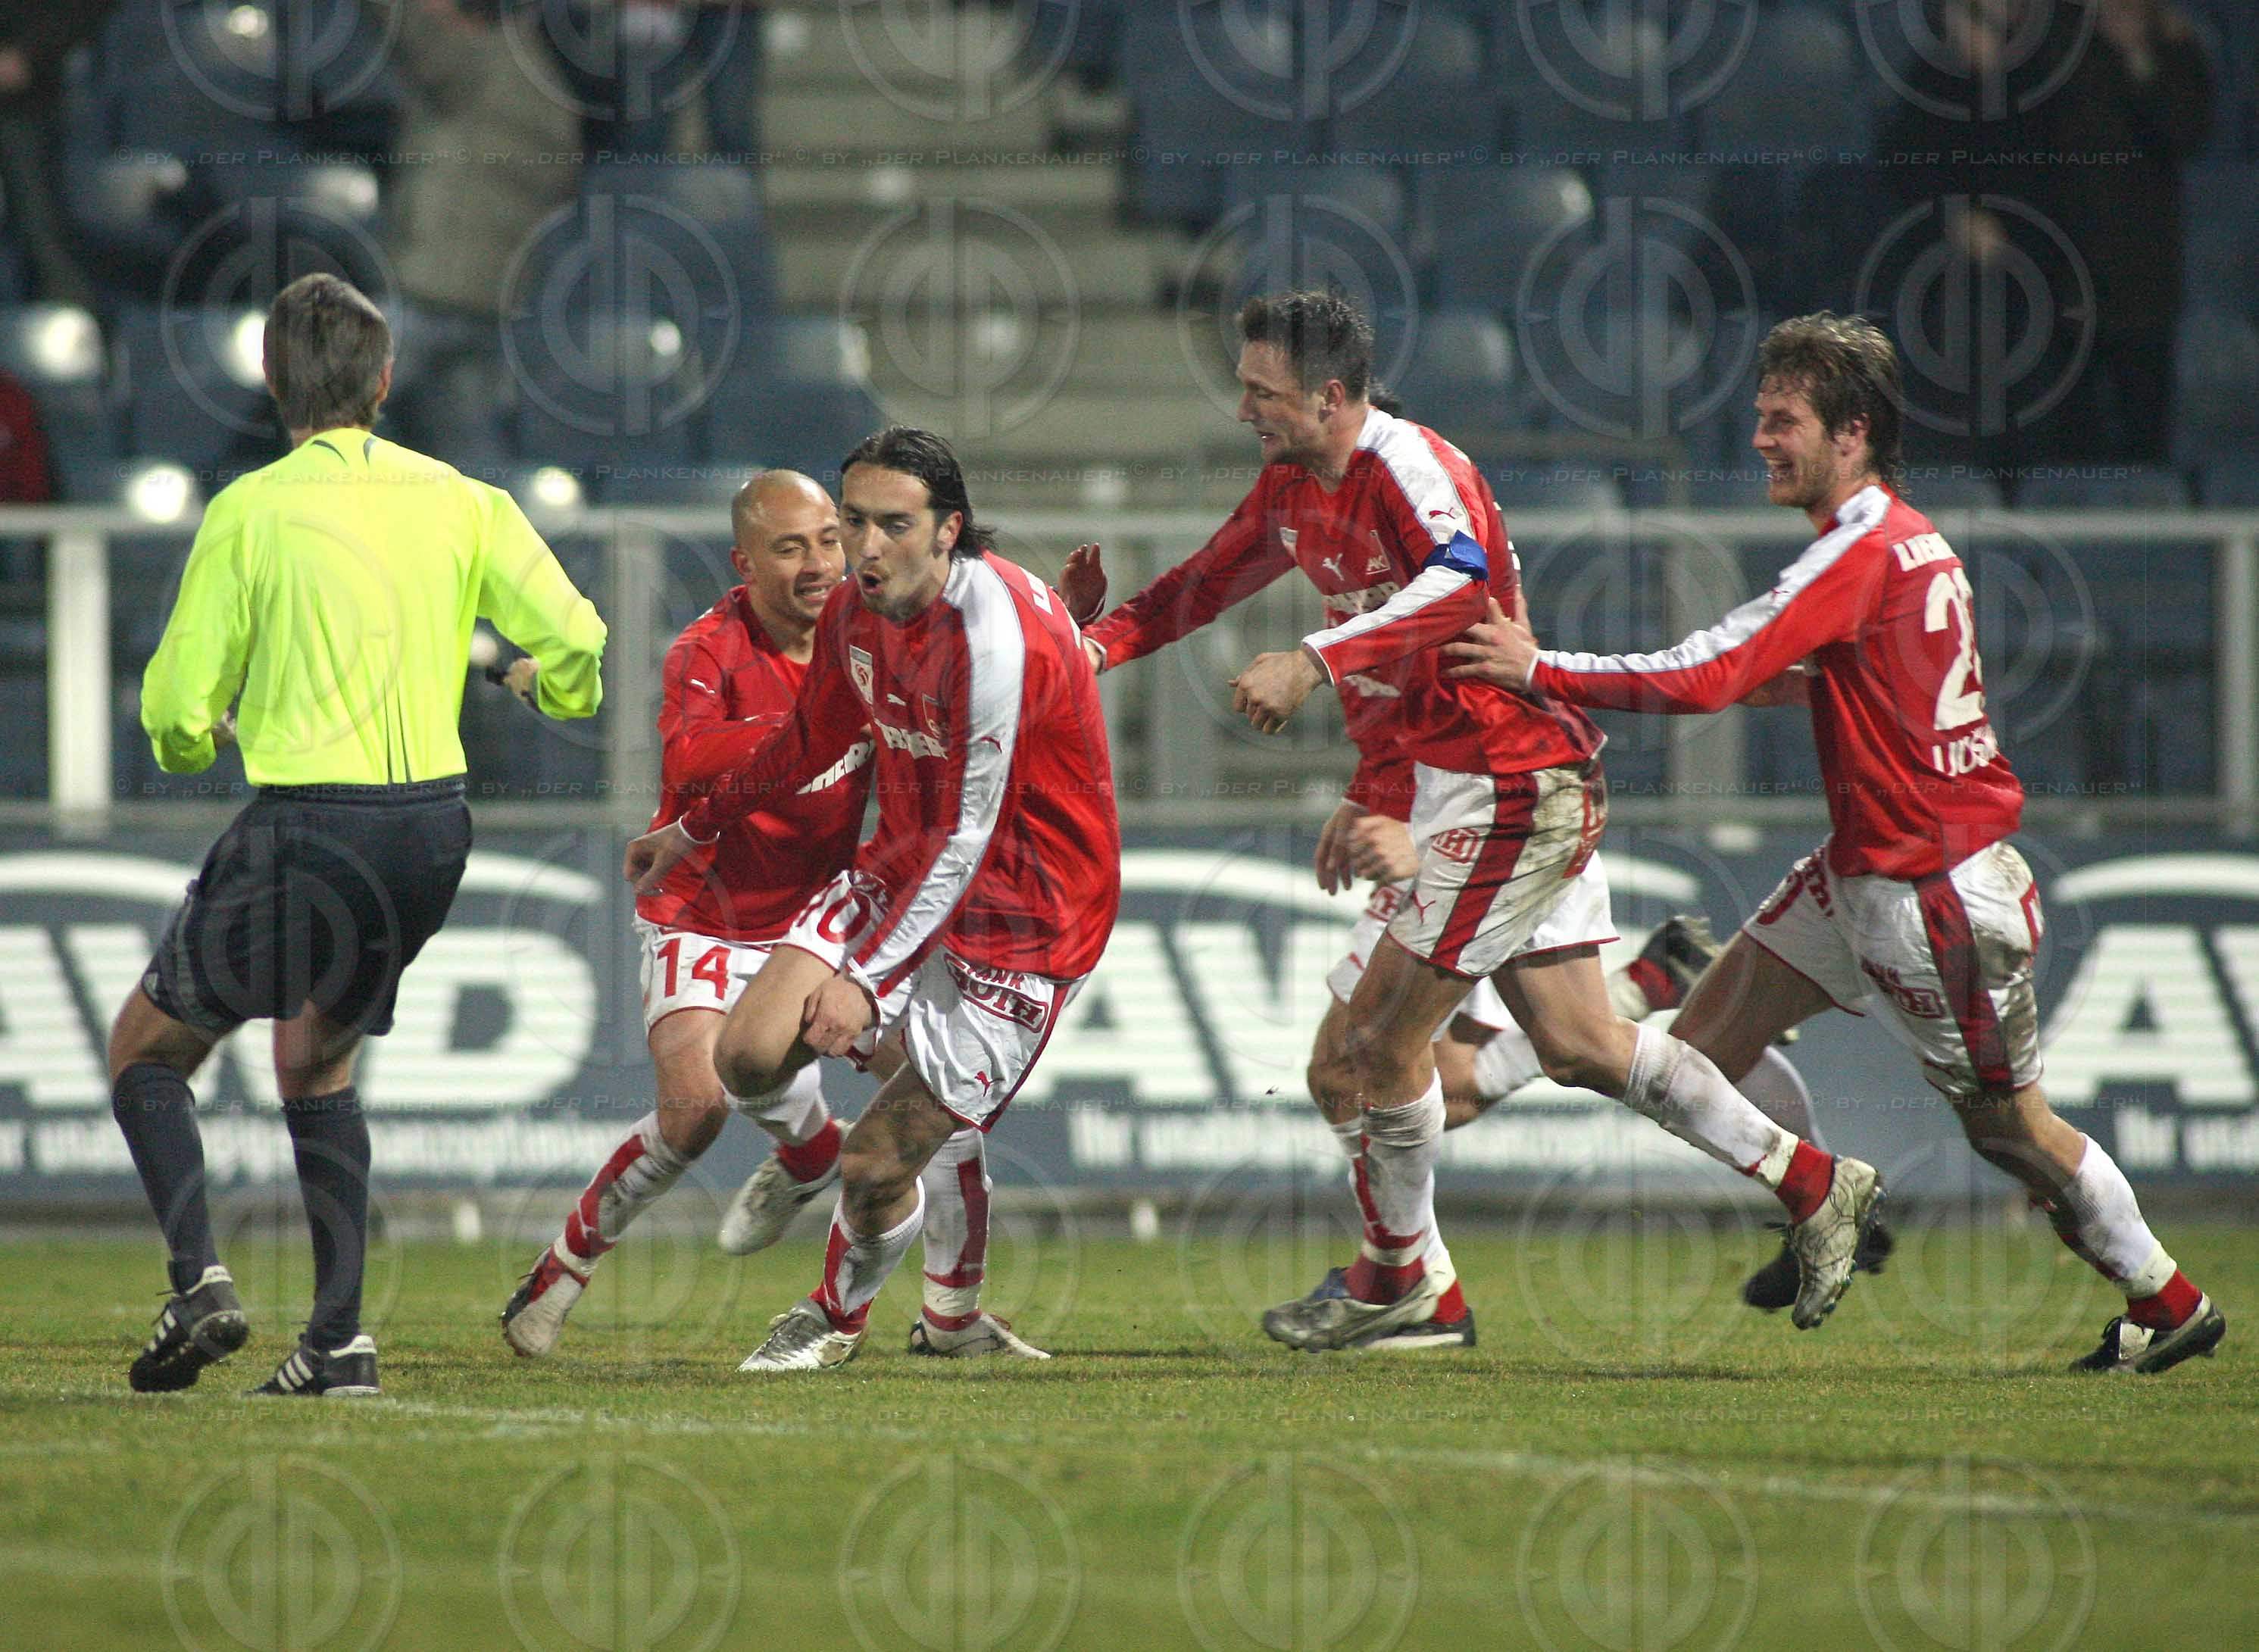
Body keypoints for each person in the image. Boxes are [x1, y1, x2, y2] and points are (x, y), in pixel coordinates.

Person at [1074, 290, 1881, 1353]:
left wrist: (1313, 661)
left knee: (1372, 1047)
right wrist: (1079, 648)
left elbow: (1455, 588)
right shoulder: (1289, 487)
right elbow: (1195, 588)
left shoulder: (1412, 468)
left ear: (1329, 396)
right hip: (1465, 787)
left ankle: (1404, 1283)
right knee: (1576, 1045)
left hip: (1512, 785)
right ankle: (1811, 1181)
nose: (1244, 410)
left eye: (1261, 392)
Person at [1448, 311, 2226, 1375]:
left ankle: (2166, 1300)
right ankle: (1820, 1199)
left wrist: (1540, 667)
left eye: (1784, 421)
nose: (1762, 439)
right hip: (1857, 869)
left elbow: (1704, 672)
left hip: (1933, 894)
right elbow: (1852, 675)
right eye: (1760, 417)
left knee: (2010, 1133)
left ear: (1850, 432)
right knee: (1699, 1054)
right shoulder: (1900, 540)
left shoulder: (1856, 551)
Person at [116, 273, 608, 1397]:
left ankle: (198, 1280)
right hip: (432, 828)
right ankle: (337, 1340)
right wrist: (545, 684)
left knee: (144, 1052)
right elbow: (578, 644)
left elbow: (177, 709)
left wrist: (199, 741)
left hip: (307, 821)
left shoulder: (251, 509)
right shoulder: (466, 499)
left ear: (271, 381)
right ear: (386, 383)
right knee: (315, 1058)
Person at [501, 470, 1034, 1360]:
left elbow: (983, 662)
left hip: (821, 923)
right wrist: (825, 722)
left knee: (937, 1094)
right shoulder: (707, 649)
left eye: (829, 539)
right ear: (746, 563)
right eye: (791, 549)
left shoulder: (873, 634)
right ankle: (562, 1273)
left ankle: (950, 1311)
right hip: (705, 910)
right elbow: (694, 753)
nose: (821, 563)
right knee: (695, 1107)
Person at [624, 426, 1119, 1372]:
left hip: (1028, 911)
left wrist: (863, 978)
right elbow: (802, 744)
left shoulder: (990, 636)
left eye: (894, 525)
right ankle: (871, 1174)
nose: (864, 547)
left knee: (878, 1161)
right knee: (747, 1056)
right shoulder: (860, 611)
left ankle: (838, 1319)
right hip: (906, 866)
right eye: (852, 522)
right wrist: (692, 829)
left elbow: (970, 835)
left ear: (949, 531)